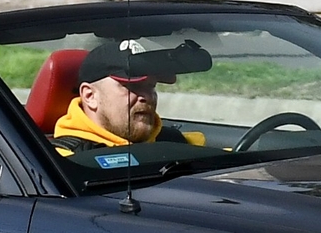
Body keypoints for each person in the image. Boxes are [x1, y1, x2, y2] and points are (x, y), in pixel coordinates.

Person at [50, 38, 210, 156]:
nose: (146, 96)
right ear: (90, 95)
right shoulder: (62, 162)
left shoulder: (178, 143)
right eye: (132, 86)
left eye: (151, 86)